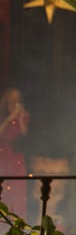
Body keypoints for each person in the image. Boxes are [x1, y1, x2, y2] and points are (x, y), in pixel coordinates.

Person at [0, 88, 30, 217]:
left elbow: (24, 133)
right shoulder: (3, 116)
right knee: (4, 188)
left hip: (16, 156)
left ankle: (16, 221)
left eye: (17, 100)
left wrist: (20, 118)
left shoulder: (24, 115)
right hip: (3, 156)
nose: (14, 103)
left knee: (17, 189)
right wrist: (10, 118)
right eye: (12, 100)